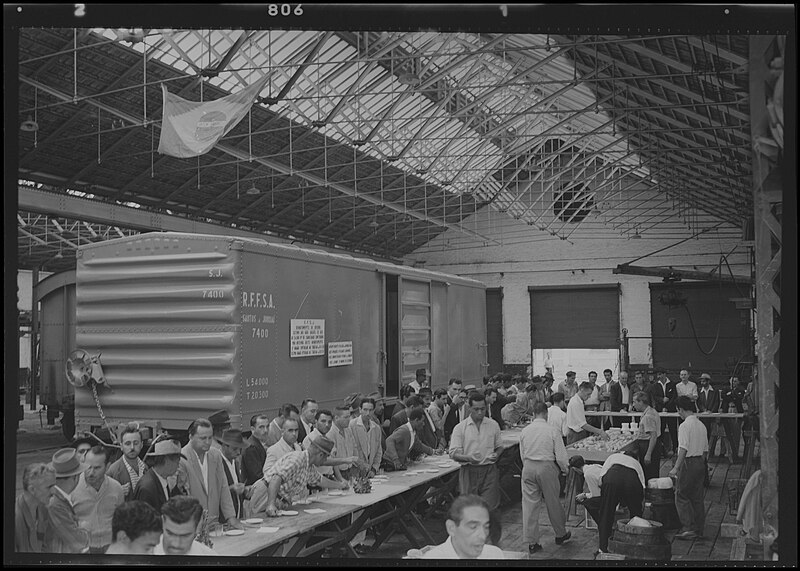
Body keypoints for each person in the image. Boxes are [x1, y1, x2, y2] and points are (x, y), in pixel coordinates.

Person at [448, 393, 503, 544]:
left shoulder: (493, 425)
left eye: (483, 409)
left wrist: (496, 455)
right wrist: (468, 458)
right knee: (469, 510)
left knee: (491, 509)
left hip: (489, 470)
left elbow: (499, 447)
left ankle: (492, 544)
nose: (480, 413)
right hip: (468, 471)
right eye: (476, 409)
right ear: (469, 408)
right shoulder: (460, 428)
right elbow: (453, 453)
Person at [519, 402, 570, 554]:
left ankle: (532, 542)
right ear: (546, 414)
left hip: (528, 466)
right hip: (546, 466)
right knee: (553, 502)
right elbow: (560, 456)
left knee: (529, 505)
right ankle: (560, 534)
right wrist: (564, 468)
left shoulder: (525, 431)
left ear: (533, 414)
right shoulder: (552, 431)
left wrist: (528, 466)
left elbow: (522, 454)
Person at [574, 451, 645, 557]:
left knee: (606, 514)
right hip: (632, 481)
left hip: (612, 479)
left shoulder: (613, 457)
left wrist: (610, 500)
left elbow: (600, 482)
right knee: (636, 515)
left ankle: (603, 549)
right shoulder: (637, 464)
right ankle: (636, 545)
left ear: (623, 454)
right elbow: (642, 490)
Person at [255, 436, 349, 516]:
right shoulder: (298, 459)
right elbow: (276, 478)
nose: (324, 461)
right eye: (325, 457)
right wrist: (271, 504)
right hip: (266, 495)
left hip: (278, 499)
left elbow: (320, 480)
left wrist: (340, 485)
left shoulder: (308, 465)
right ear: (320, 455)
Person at [180, 418, 242, 529]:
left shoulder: (215, 455)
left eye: (210, 437)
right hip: (194, 527)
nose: (208, 442)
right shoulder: (182, 459)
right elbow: (183, 497)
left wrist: (231, 517)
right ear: (191, 437)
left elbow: (223, 487)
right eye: (203, 438)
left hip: (214, 524)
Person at [71, 445, 125, 553]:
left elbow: (121, 520)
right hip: (83, 549)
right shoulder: (72, 489)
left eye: (97, 468)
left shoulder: (116, 488)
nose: (91, 472)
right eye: (88, 467)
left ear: (107, 466)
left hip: (111, 546)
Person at [669, 396, 708, 540]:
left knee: (681, 495)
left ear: (680, 409)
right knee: (697, 497)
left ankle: (688, 528)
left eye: (678, 410)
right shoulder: (701, 425)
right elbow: (705, 450)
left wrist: (676, 468)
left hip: (688, 462)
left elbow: (683, 448)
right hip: (700, 462)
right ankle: (699, 528)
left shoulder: (685, 425)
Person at [420, 495, 504, 559]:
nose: (482, 536)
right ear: (451, 528)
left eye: (486, 527)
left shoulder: (494, 554)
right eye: (473, 527)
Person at [45, 448, 90, 553]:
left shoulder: (56, 497)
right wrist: (84, 528)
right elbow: (77, 542)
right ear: (75, 477)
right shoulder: (54, 504)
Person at [133, 439, 186, 513]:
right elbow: (144, 521)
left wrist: (178, 487)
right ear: (167, 461)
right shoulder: (147, 488)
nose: (178, 467)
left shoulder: (161, 480)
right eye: (177, 462)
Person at [16, 463, 56, 553]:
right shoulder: (14, 519)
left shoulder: (44, 510)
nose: (54, 491)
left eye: (54, 486)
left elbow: (47, 547)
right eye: (49, 487)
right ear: (32, 490)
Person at [107, 424, 147, 501]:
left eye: (136, 443)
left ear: (141, 445)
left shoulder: (145, 467)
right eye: (128, 444)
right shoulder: (113, 471)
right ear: (121, 446)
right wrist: (117, 492)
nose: (132, 447)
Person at [217, 428, 249, 519]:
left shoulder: (235, 461)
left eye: (240, 449)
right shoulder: (217, 462)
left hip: (237, 515)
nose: (238, 452)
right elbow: (213, 492)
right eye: (234, 449)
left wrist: (245, 490)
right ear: (224, 446)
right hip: (223, 518)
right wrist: (231, 489)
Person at [631, 391, 662, 482]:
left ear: (641, 402)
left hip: (648, 445)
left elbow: (653, 435)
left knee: (649, 474)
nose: (633, 405)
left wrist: (648, 454)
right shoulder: (652, 411)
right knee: (652, 473)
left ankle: (650, 492)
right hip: (650, 444)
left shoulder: (648, 416)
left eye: (634, 402)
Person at [349, 397, 383, 477]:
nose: (368, 413)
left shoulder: (376, 428)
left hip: (370, 472)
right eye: (365, 410)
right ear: (360, 410)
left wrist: (374, 469)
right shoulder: (351, 425)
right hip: (354, 472)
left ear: (373, 410)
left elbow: (378, 451)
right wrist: (362, 466)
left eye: (370, 410)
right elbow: (351, 450)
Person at [649, 368, 678, 456]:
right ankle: (661, 450)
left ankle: (675, 449)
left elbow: (674, 397)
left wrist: (667, 407)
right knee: (660, 430)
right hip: (660, 411)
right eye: (658, 375)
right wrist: (662, 401)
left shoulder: (672, 384)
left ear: (665, 374)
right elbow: (655, 397)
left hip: (671, 411)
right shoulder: (655, 385)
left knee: (673, 430)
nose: (659, 376)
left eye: (660, 374)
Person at [720, 376, 745, 461]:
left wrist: (731, 394)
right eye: (732, 381)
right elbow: (724, 396)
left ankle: (735, 453)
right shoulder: (725, 389)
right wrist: (731, 395)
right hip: (727, 410)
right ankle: (723, 452)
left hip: (736, 410)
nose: (733, 382)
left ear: (738, 382)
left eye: (735, 381)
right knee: (725, 432)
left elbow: (738, 397)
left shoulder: (741, 390)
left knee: (736, 433)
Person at [328, 406, 357, 480]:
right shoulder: (331, 433)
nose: (349, 420)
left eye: (349, 416)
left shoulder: (348, 430)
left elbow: (354, 448)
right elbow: (332, 458)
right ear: (336, 418)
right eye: (345, 417)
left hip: (350, 470)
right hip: (338, 472)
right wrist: (340, 478)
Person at [241, 414, 271, 487]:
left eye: (267, 426)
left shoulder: (258, 444)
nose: (266, 430)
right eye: (261, 427)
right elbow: (256, 476)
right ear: (252, 429)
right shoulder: (251, 447)